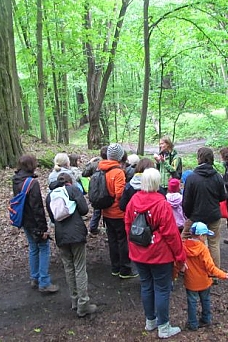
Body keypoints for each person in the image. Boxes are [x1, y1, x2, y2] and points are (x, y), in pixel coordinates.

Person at [124, 168, 186, 339]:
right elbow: (172, 234)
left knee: (146, 285)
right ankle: (164, 327)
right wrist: (180, 256)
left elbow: (128, 226)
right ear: (157, 182)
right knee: (162, 288)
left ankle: (150, 320)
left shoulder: (133, 200)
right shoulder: (161, 204)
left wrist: (133, 246)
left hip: (139, 253)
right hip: (159, 255)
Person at [45, 173, 97, 317]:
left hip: (61, 235)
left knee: (68, 268)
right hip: (76, 233)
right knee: (80, 268)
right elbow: (84, 210)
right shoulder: (73, 190)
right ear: (69, 181)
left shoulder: (50, 196)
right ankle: (83, 304)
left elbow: (53, 218)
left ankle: (74, 301)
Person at [12, 155, 59, 293]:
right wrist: (43, 228)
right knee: (44, 248)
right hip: (34, 221)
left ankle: (35, 277)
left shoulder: (16, 180)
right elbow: (37, 207)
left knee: (33, 248)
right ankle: (44, 281)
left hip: (24, 220)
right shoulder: (32, 183)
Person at [178, 222, 228, 331]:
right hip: (204, 281)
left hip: (190, 282)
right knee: (205, 300)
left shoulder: (183, 246)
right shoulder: (203, 249)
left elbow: (178, 263)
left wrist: (173, 275)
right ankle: (206, 319)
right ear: (201, 236)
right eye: (205, 236)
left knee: (192, 302)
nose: (205, 238)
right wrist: (222, 274)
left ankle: (192, 324)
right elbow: (210, 267)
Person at [182, 147, 227, 268]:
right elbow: (223, 197)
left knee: (184, 239)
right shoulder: (217, 176)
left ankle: (184, 268)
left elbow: (186, 201)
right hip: (213, 215)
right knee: (214, 243)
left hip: (196, 216)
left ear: (199, 159)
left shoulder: (192, 178)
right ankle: (213, 272)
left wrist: (189, 215)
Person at [98, 143, 137, 279]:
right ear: (120, 156)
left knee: (112, 240)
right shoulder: (118, 172)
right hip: (118, 212)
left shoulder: (101, 169)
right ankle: (125, 269)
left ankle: (115, 267)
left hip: (106, 212)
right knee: (122, 240)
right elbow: (119, 194)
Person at [82, 146, 108, 235]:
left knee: (97, 211)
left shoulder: (95, 164)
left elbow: (84, 173)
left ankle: (93, 227)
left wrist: (90, 163)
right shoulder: (113, 165)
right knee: (108, 211)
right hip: (107, 191)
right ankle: (107, 229)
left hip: (96, 191)